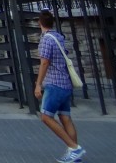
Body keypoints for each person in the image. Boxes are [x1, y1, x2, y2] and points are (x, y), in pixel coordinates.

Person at [35, 10, 85, 162]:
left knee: (45, 117)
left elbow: (44, 62)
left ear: (39, 23)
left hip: (54, 83)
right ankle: (74, 152)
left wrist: (38, 84)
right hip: (65, 83)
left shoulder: (46, 39)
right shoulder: (58, 37)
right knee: (65, 117)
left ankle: (74, 148)